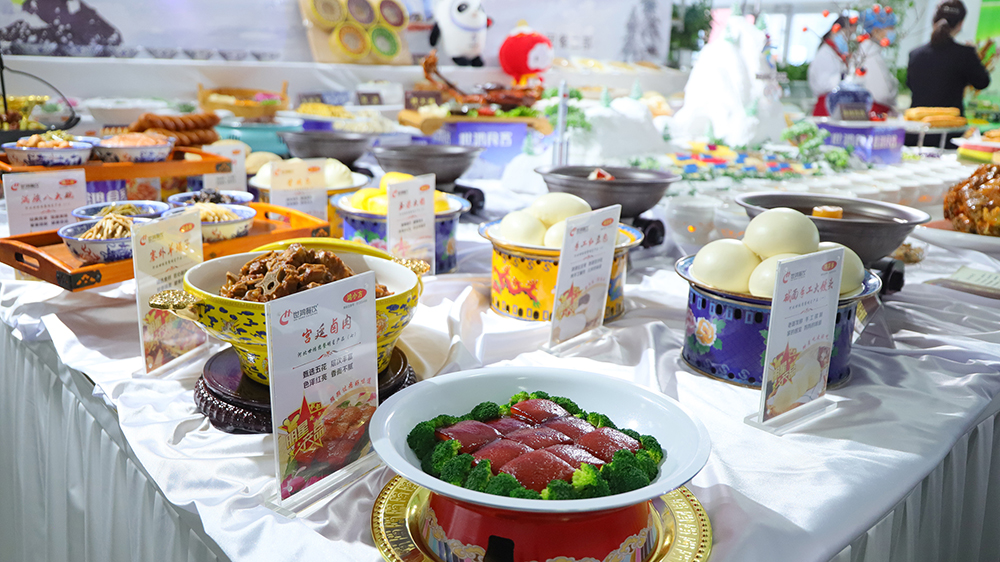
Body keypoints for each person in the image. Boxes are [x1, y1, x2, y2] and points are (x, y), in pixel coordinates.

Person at [907, 0, 990, 140]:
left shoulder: (915, 54)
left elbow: (911, 85)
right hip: (947, 135)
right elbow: (982, 82)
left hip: (915, 134)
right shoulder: (965, 54)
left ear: (934, 21)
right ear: (961, 24)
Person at [857, 8, 899, 117]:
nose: (892, 33)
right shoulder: (869, 52)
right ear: (876, 31)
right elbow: (881, 94)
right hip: (875, 111)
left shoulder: (872, 49)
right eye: (890, 29)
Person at [809, 16, 852, 116]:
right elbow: (823, 84)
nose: (848, 39)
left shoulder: (835, 54)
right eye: (846, 34)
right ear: (834, 31)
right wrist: (844, 77)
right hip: (825, 108)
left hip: (834, 106)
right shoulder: (825, 54)